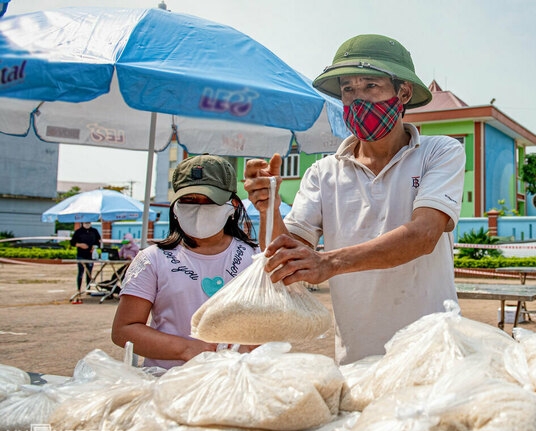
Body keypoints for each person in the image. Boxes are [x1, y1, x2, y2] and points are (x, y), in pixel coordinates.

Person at [244, 34, 466, 365]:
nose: (358, 99)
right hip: (358, 355)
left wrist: (329, 262)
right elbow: (286, 249)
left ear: (403, 93)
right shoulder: (323, 172)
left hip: (433, 351)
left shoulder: (440, 152)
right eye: (349, 89)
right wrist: (270, 206)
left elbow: (424, 235)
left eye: (371, 86)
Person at [111, 154, 259, 370]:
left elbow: (271, 325)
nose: (198, 208)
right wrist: (186, 348)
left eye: (209, 201)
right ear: (176, 206)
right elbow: (124, 329)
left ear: (233, 205)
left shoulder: (255, 258)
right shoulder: (152, 259)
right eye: (188, 201)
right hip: (167, 385)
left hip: (237, 383)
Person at [70, 221, 102, 303]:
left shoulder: (94, 231)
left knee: (89, 272)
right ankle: (79, 289)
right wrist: (80, 245)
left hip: (90, 255)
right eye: (85, 223)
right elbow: (72, 242)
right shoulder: (78, 232)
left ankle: (88, 288)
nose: (87, 224)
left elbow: (98, 242)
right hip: (81, 255)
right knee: (80, 272)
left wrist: (94, 248)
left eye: (88, 222)